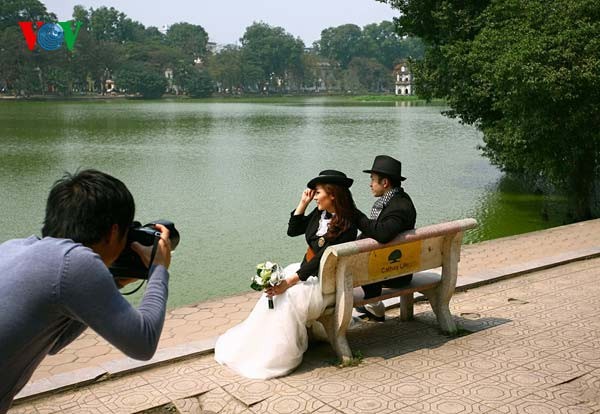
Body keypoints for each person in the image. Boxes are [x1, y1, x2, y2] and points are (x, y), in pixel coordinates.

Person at [0, 170, 172, 413]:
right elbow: (142, 344)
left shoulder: (13, 248)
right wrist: (159, 269)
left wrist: (115, 283)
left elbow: (54, 342)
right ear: (114, 232)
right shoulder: (75, 262)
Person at [214, 170, 358, 379]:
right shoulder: (321, 214)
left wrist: (290, 282)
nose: (315, 196)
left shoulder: (347, 224)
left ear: (332, 195)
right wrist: (303, 204)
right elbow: (293, 231)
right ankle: (258, 343)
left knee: (287, 295)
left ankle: (278, 355)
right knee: (276, 291)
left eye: (317, 193)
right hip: (311, 275)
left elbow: (321, 260)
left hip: (327, 285)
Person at [354, 155, 417, 321]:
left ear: (385, 183)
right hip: (397, 265)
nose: (370, 184)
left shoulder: (399, 207)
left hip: (395, 272)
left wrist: (355, 216)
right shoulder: (397, 200)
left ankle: (373, 305)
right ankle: (372, 306)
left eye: (373, 179)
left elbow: (382, 233)